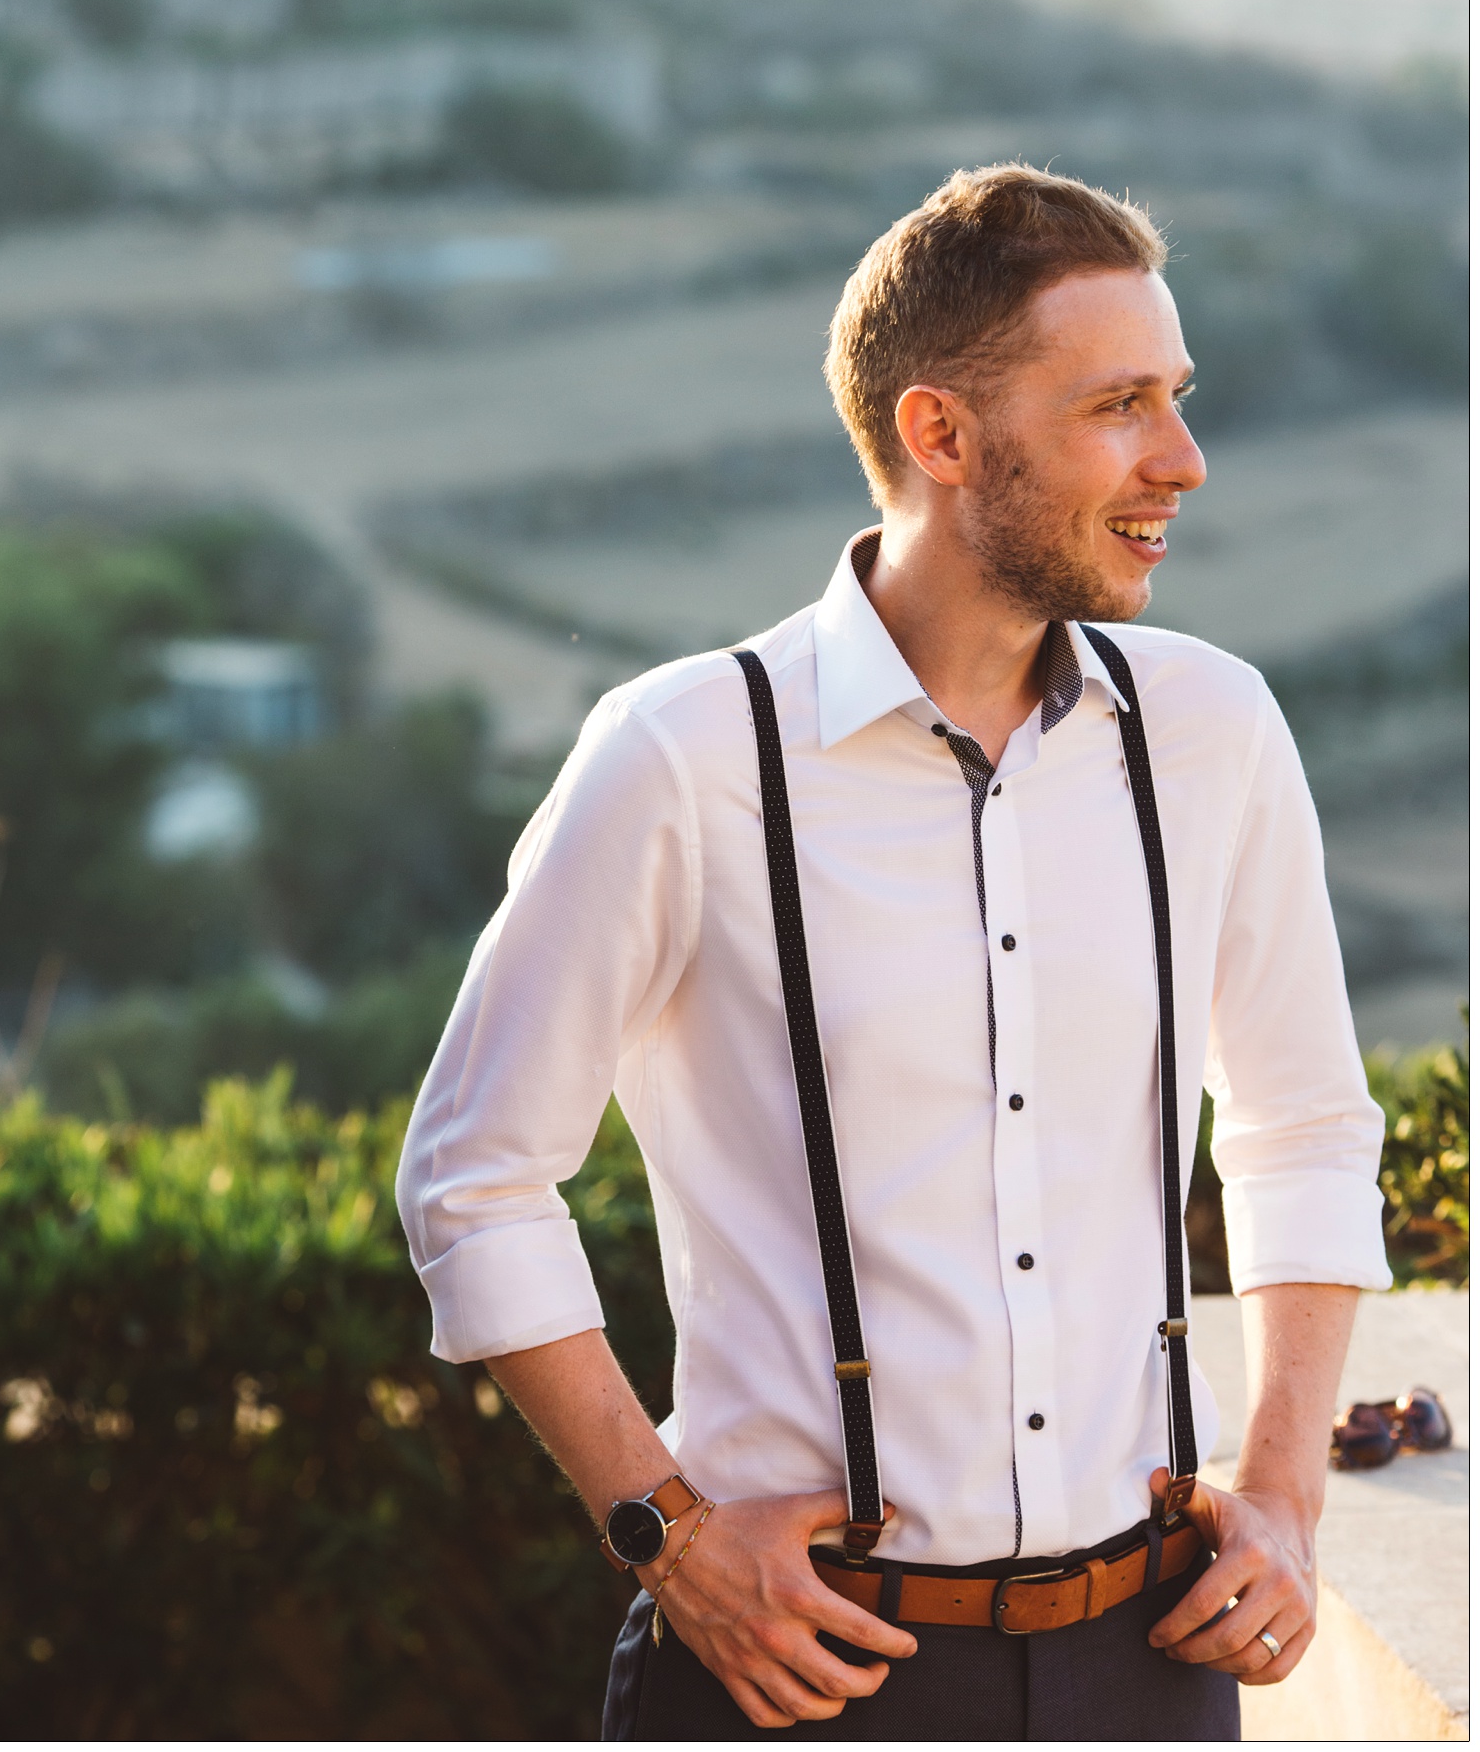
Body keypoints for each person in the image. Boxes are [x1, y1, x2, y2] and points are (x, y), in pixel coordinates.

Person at [397, 163, 1390, 1742]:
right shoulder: (682, 754)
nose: (1184, 461)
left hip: (1153, 1665)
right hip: (797, 1671)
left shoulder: (1213, 732)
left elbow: (1306, 1128)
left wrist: (1280, 1493)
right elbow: (469, 1174)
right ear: (939, 437)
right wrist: (664, 1528)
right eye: (1119, 406)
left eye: (1177, 399)